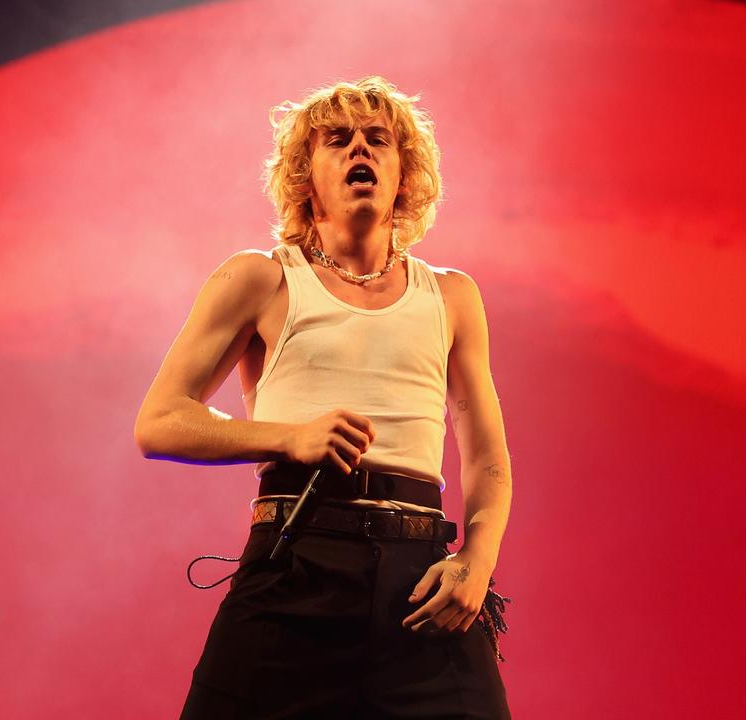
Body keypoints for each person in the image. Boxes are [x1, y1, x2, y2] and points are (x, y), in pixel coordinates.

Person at [134, 75, 513, 718]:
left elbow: (488, 463)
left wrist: (476, 562)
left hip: (420, 577)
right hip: (295, 561)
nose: (359, 150)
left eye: (377, 140)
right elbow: (160, 421)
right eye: (337, 140)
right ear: (307, 177)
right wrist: (288, 436)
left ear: (404, 173)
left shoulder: (452, 296)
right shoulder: (262, 278)